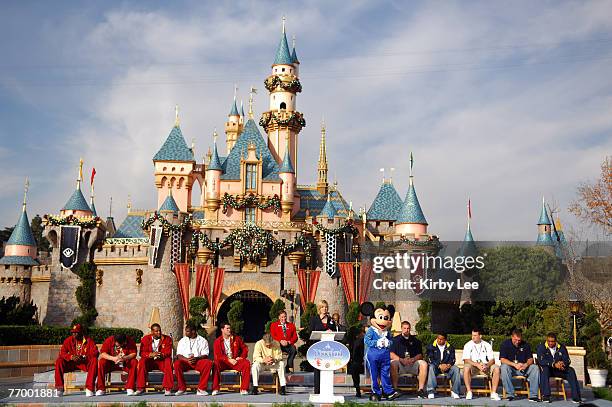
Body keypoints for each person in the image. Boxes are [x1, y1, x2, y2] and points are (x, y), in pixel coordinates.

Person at [54, 324, 98, 397]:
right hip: (71, 363)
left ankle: (89, 388)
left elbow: (95, 352)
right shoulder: (69, 340)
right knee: (59, 361)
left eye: (76, 332)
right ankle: (59, 389)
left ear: (81, 332)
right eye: (72, 332)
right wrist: (71, 357)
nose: (74, 334)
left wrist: (84, 357)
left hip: (84, 363)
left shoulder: (88, 340)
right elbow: (62, 352)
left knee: (94, 360)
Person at [536, 332, 582, 403]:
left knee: (571, 370)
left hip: (559, 370)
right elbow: (541, 361)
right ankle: (546, 396)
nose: (550, 343)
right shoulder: (541, 347)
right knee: (544, 369)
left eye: (552, 341)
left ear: (556, 341)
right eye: (549, 341)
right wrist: (553, 364)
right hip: (548, 369)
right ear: (547, 340)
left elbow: (567, 360)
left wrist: (563, 363)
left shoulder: (561, 347)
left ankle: (576, 397)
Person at [500, 328, 540, 402]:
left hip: (523, 368)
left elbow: (531, 359)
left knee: (535, 367)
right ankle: (510, 394)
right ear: (512, 337)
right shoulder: (505, 344)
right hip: (511, 369)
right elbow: (502, 359)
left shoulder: (526, 345)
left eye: (519, 340)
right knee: (504, 367)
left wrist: (526, 364)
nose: (517, 342)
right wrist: (514, 365)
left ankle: (533, 395)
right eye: (515, 340)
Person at [390, 321, 428, 398]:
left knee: (424, 364)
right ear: (401, 328)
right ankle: (395, 389)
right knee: (393, 363)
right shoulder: (395, 340)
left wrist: (413, 359)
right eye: (404, 328)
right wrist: (401, 360)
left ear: (410, 329)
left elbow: (420, 355)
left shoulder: (416, 341)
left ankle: (420, 390)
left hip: (412, 363)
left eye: (408, 328)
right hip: (400, 363)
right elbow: (391, 354)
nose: (406, 330)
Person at [173, 322, 213, 396]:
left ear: (193, 331)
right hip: (185, 362)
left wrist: (196, 358)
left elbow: (205, 354)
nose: (185, 333)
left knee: (208, 363)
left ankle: (201, 389)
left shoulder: (202, 340)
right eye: (186, 331)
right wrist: (187, 359)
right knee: (177, 364)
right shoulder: (182, 340)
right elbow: (178, 355)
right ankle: (182, 388)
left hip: (198, 362)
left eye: (187, 331)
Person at [462, 328, 501, 400]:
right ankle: (469, 391)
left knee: (496, 368)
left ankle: (493, 392)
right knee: (466, 367)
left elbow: (492, 360)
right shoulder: (468, 345)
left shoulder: (487, 345)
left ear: (480, 336)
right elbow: (466, 360)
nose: (473, 337)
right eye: (472, 335)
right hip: (473, 366)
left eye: (475, 335)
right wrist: (477, 364)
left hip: (485, 366)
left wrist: (487, 365)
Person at [212, 322, 251, 395]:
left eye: (230, 328)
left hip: (235, 361)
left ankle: (244, 389)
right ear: (222, 330)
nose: (229, 330)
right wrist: (228, 360)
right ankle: (215, 388)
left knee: (246, 363)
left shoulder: (236, 338)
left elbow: (245, 348)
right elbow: (218, 355)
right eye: (227, 328)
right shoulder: (217, 341)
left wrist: (241, 357)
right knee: (216, 363)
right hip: (224, 362)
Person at [136, 323, 173, 396]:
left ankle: (168, 388)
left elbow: (168, 352)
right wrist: (150, 354)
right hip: (150, 361)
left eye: (159, 330)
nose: (159, 332)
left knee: (168, 361)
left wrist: (161, 354)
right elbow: (142, 353)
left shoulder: (167, 338)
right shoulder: (145, 338)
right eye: (156, 331)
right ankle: (140, 388)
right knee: (142, 361)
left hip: (161, 361)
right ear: (152, 332)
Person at [309, 299, 337, 394]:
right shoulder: (314, 319)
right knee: (318, 368)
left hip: (328, 348)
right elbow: (310, 332)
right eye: (323, 307)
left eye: (326, 307)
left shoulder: (330, 319)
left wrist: (331, 330)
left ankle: (327, 391)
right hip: (317, 347)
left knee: (327, 367)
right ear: (319, 308)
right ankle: (317, 391)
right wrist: (323, 332)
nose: (325, 309)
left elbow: (334, 330)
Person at [425, 333, 461, 399]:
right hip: (436, 367)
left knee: (456, 369)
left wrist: (448, 365)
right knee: (431, 367)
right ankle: (431, 391)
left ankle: (455, 391)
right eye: (438, 338)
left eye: (441, 339)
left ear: (445, 340)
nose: (439, 340)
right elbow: (430, 358)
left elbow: (452, 359)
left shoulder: (450, 347)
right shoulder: (431, 346)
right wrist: (439, 365)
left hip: (447, 367)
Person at [348, 324, 366, 398]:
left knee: (354, 370)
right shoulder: (359, 341)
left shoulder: (354, 342)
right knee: (355, 368)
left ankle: (357, 388)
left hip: (357, 363)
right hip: (359, 362)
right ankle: (357, 388)